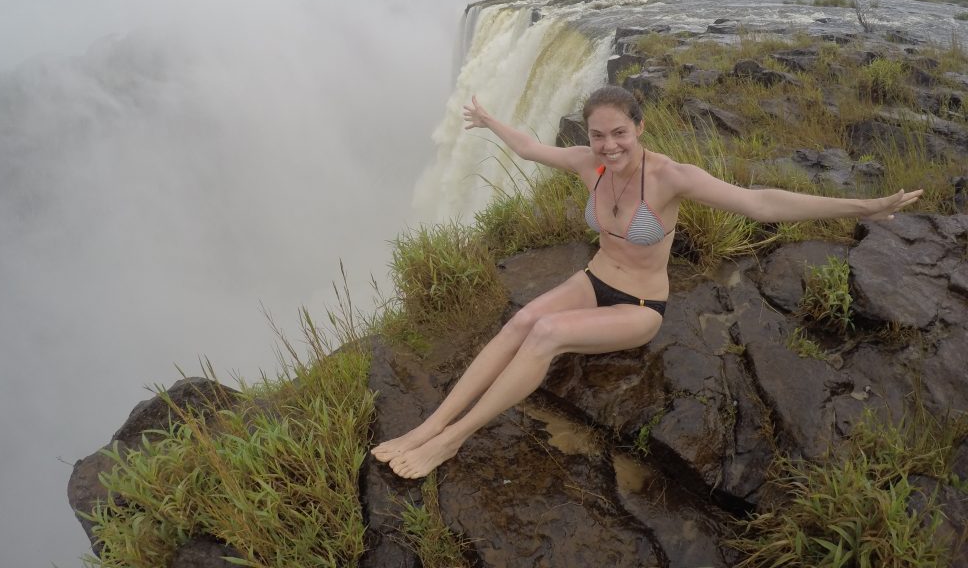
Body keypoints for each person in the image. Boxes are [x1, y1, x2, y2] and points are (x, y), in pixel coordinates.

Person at [371, 85, 921, 479]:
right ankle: (429, 426)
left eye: (619, 134)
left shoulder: (670, 177)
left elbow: (759, 203)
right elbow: (531, 148)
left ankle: (450, 442)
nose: (609, 145)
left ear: (639, 128)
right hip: (592, 279)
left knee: (545, 335)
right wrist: (489, 121)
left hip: (640, 303)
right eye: (598, 135)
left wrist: (864, 206)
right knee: (519, 321)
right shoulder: (589, 162)